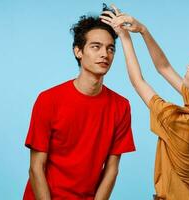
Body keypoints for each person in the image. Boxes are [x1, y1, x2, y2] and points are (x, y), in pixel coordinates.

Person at [100, 5, 189, 200]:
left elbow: (138, 82)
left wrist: (124, 37)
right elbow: (163, 67)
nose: (187, 66)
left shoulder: (180, 122)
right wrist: (142, 30)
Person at [23, 14, 136, 200]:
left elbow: (112, 169)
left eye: (110, 49)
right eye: (95, 46)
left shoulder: (121, 106)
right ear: (78, 51)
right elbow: (36, 168)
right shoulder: (48, 100)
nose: (104, 54)